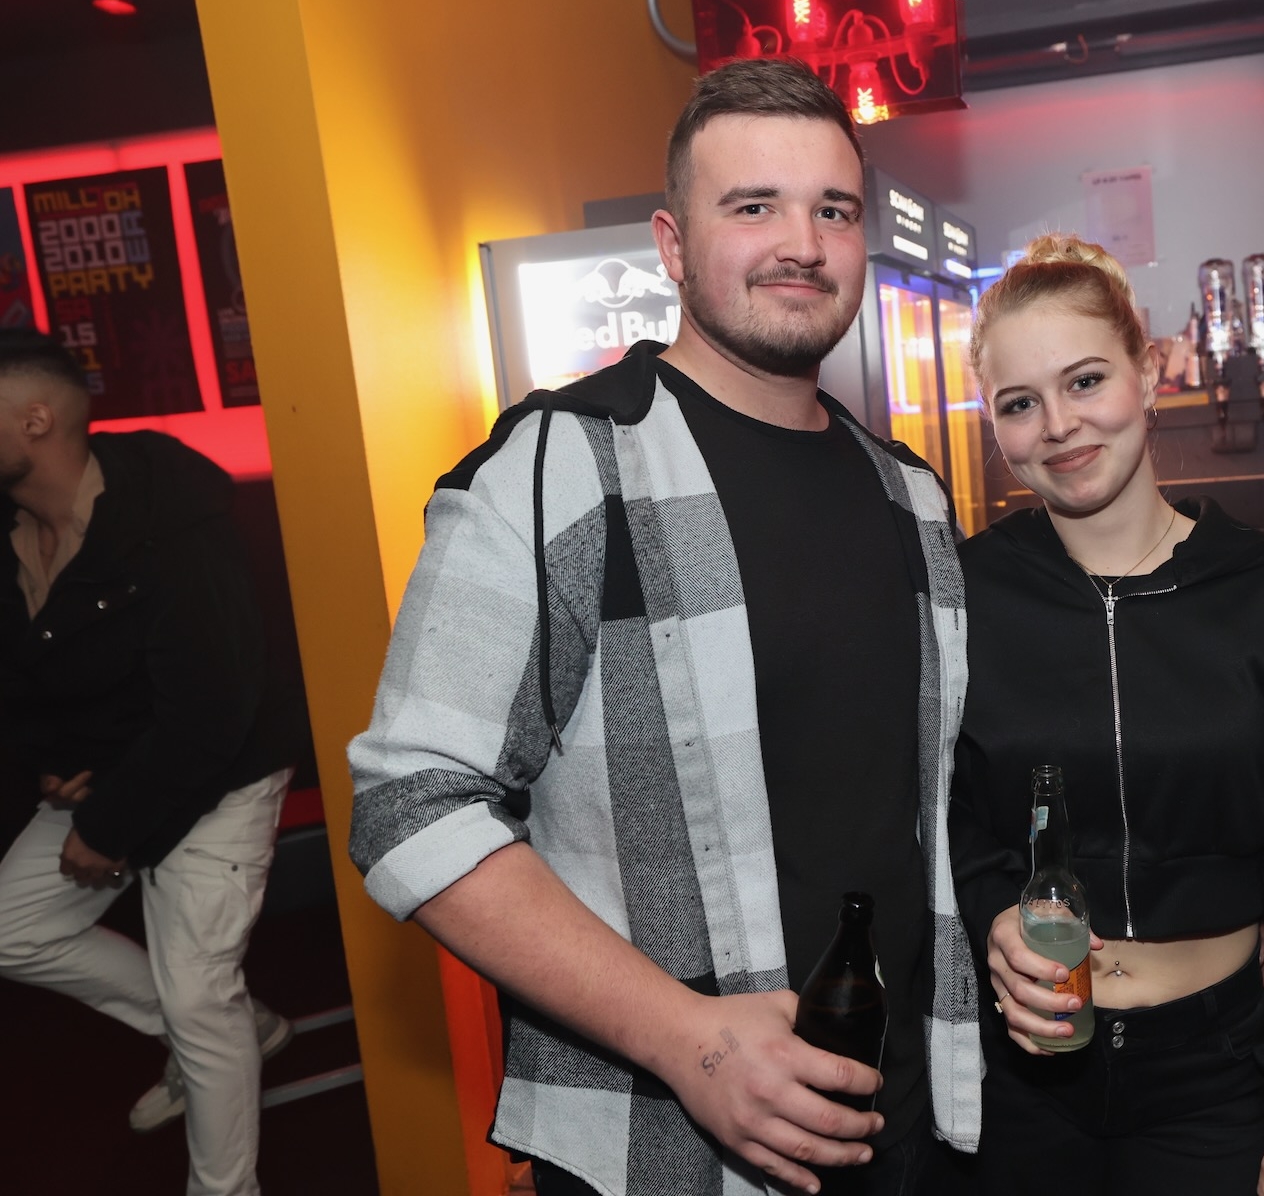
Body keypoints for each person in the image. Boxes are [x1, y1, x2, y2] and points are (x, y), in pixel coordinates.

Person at [347, 58, 980, 1196]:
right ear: (673, 246)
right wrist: (693, 1043)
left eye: (833, 210)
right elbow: (410, 803)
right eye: (755, 207)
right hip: (667, 1151)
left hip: (905, 1127)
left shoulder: (913, 495)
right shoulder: (560, 470)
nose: (803, 243)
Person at [948, 235, 1264, 1196]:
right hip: (1018, 1082)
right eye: (1020, 403)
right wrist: (993, 913)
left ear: (1147, 374)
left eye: (1085, 381)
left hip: (1218, 1076)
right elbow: (946, 817)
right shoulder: (964, 598)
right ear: (994, 423)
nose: (1059, 426)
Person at [0, 328, 304, 1196]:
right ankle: (238, 1029)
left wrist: (108, 827)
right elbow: (27, 682)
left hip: (223, 775)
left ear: (34, 420)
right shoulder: (11, 531)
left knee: (198, 995)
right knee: (12, 930)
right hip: (115, 772)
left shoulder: (168, 519)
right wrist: (55, 764)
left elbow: (212, 711)